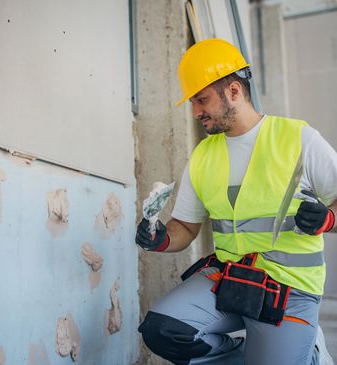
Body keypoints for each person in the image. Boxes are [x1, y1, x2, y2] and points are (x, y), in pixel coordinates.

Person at [135, 38, 336, 365]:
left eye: (201, 100)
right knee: (162, 330)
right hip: (229, 279)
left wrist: (328, 219)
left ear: (233, 91)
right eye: (193, 103)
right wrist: (160, 239)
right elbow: (185, 227)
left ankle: (306, 352)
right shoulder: (203, 155)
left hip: (289, 290)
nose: (196, 111)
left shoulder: (298, 139)